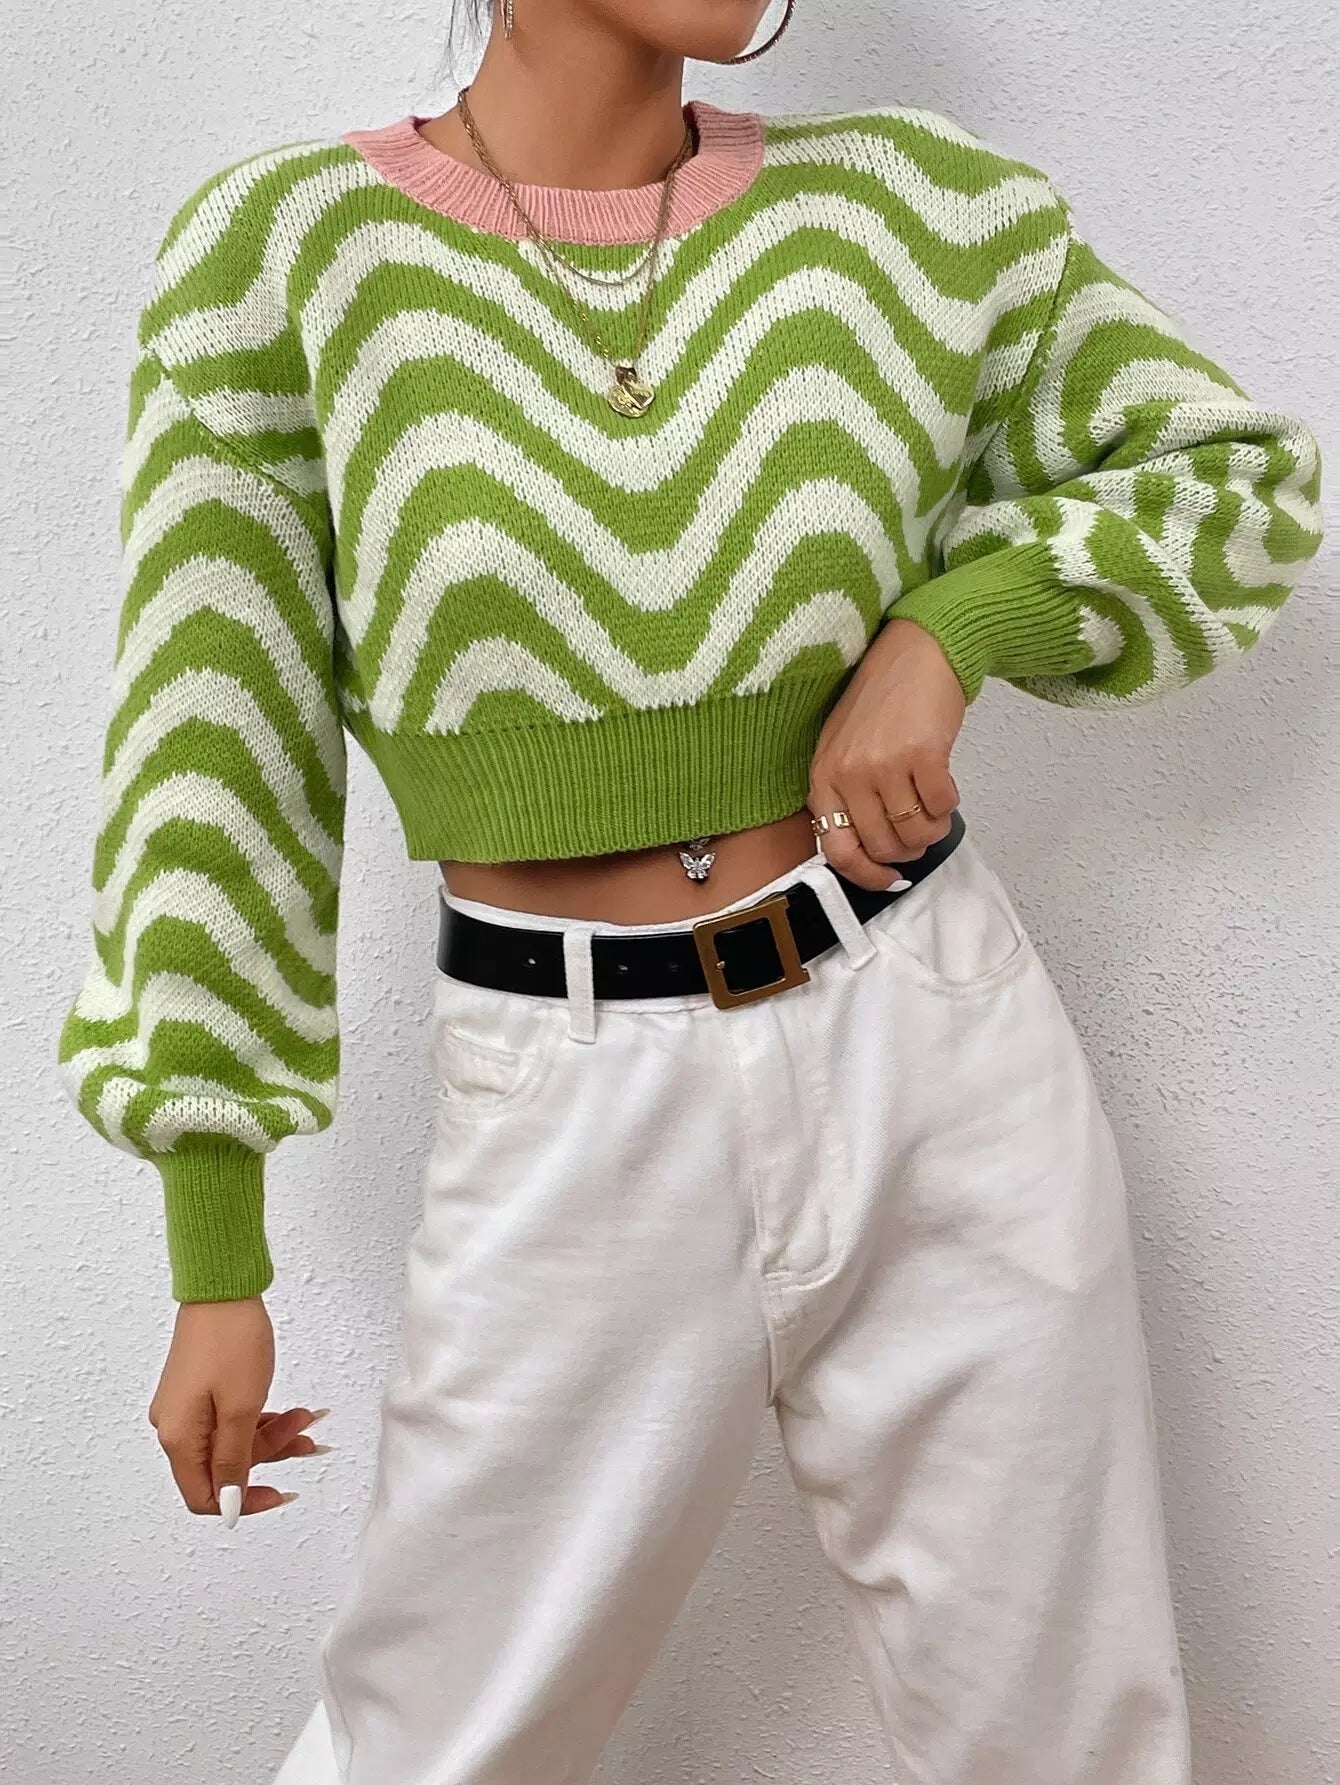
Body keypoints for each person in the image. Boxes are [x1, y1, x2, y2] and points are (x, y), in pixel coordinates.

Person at [57, 0, 1324, 1780]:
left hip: (936, 1035)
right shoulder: (283, 255)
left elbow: (1238, 479)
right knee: (438, 1740)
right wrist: (217, 1242)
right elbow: (215, 747)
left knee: (1069, 1732)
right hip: (571, 1085)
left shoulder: (915, 207)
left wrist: (956, 629)